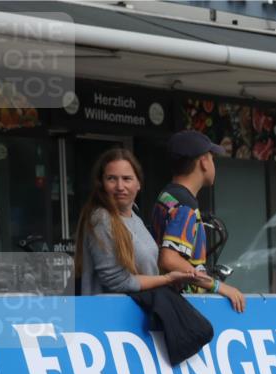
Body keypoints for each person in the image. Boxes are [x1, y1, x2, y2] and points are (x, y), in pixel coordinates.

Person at [75, 148, 194, 295]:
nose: (120, 186)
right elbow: (117, 282)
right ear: (101, 184)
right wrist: (167, 279)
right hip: (111, 316)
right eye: (111, 178)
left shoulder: (135, 218)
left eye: (126, 179)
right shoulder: (101, 218)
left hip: (139, 313)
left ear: (138, 184)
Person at [152, 129, 246, 312]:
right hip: (181, 304)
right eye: (212, 158)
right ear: (203, 162)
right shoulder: (185, 205)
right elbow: (169, 259)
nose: (213, 164)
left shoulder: (167, 196)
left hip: (168, 302)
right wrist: (219, 287)